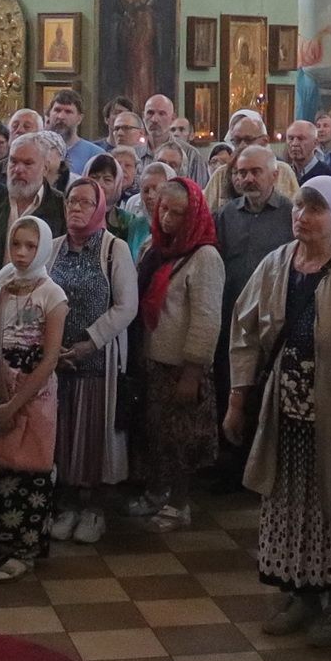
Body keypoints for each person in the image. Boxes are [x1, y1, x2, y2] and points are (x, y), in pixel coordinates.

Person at [227, 177, 331, 646]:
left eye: (315, 209)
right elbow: (243, 332)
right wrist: (238, 399)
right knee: (288, 500)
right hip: (285, 410)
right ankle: (300, 595)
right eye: (299, 206)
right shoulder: (277, 263)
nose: (302, 216)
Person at [0, 217, 68, 581]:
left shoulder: (52, 295)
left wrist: (15, 404)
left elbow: (50, 356)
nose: (22, 253)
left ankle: (23, 549)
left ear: (41, 248)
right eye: (16, 245)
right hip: (1, 386)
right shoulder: (3, 288)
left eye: (30, 245)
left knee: (30, 474)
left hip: (33, 394)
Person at [48, 178, 139, 547]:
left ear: (99, 207)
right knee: (63, 435)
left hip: (99, 361)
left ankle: (94, 509)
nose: (76, 208)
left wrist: (90, 341)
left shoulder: (113, 249)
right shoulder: (52, 249)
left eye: (86, 202)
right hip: (57, 361)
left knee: (95, 435)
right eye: (72, 201)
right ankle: (67, 504)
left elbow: (126, 305)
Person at [133, 178, 224, 530]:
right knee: (157, 433)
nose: (168, 218)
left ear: (195, 215)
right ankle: (157, 491)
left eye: (178, 213)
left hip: (184, 367)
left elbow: (206, 317)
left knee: (182, 438)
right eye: (163, 209)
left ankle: (179, 502)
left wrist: (192, 371)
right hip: (155, 361)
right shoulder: (155, 250)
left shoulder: (205, 256)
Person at [210, 146, 296, 491]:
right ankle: (231, 470)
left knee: (265, 397)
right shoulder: (226, 215)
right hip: (231, 318)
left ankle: (262, 473)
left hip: (274, 323)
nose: (247, 179)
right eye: (241, 173)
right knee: (229, 389)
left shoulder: (291, 214)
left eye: (255, 172)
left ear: (274, 175)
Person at [0, 133, 68, 285]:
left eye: (28, 163)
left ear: (45, 168)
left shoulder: (59, 206)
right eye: (13, 161)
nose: (18, 169)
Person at [45, 88, 100, 175]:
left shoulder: (95, 154)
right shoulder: (35, 149)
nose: (61, 116)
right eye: (57, 110)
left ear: (79, 118)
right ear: (49, 114)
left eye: (68, 112)